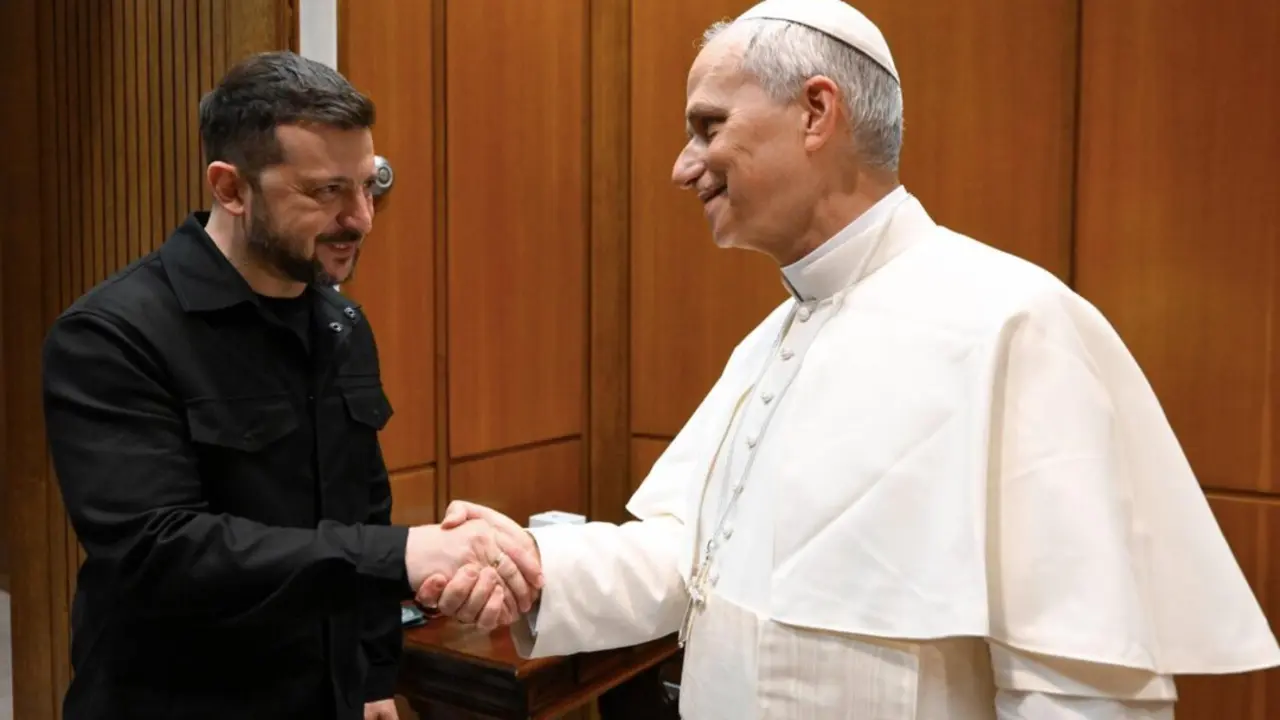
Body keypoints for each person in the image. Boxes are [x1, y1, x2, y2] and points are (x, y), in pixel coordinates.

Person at [420, 1, 1280, 718]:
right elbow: (694, 560)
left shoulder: (1013, 322)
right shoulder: (771, 339)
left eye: (708, 126)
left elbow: (1085, 685)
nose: (685, 167)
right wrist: (541, 568)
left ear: (816, 111)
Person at [41, 51, 540, 720]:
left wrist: (371, 675)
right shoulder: (110, 335)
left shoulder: (340, 322)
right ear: (230, 188)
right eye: (326, 191)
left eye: (369, 185)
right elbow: (159, 552)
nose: (361, 217)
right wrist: (404, 553)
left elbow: (360, 505)